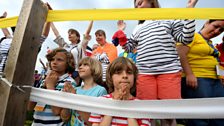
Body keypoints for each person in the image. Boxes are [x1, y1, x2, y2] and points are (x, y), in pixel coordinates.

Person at [115, 0, 198, 125]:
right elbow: (129, 48)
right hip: (145, 73)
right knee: (147, 113)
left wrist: (189, 11)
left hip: (169, 72)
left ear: (152, 2)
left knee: (169, 114)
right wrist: (121, 31)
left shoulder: (168, 18)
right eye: (136, 5)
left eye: (140, 2)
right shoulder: (138, 28)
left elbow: (185, 38)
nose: (137, 6)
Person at [177, 20, 224, 126]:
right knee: (200, 117)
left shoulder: (210, 43)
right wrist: (189, 74)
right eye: (215, 26)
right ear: (207, 23)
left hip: (215, 81)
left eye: (221, 30)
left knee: (219, 114)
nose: (217, 31)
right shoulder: (191, 35)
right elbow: (180, 52)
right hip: (198, 79)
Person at [88, 57, 151, 126]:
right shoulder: (100, 102)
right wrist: (114, 103)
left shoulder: (142, 106)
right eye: (118, 73)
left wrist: (127, 104)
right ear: (110, 77)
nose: (125, 76)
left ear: (134, 77)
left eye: (129, 73)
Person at [30, 47, 77, 126]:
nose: (54, 62)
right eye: (52, 59)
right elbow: (30, 107)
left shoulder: (69, 83)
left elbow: (57, 111)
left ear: (68, 63)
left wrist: (50, 86)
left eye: (59, 60)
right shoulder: (45, 80)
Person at [0, 10, 51, 76]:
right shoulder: (7, 40)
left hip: (15, 77)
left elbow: (44, 35)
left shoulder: (30, 43)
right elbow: (6, 33)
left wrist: (48, 17)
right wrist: (2, 20)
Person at [63, 57, 107, 126]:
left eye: (85, 64)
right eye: (80, 65)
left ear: (95, 68)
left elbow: (93, 123)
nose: (80, 67)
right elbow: (65, 118)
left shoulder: (101, 91)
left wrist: (74, 98)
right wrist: (65, 98)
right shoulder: (75, 89)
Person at [51, 20, 93, 85]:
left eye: (72, 33)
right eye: (69, 33)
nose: (69, 34)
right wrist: (50, 22)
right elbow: (57, 35)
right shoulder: (65, 45)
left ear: (78, 37)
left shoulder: (80, 46)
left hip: (75, 72)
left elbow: (87, 33)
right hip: (63, 71)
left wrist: (92, 19)